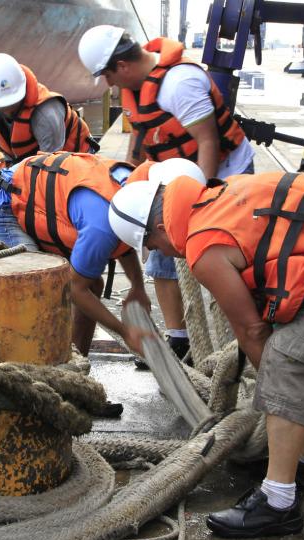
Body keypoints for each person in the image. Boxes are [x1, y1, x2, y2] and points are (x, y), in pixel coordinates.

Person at [108, 170, 304, 538]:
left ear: (160, 225)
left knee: (289, 363)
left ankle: (277, 503)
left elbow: (252, 330)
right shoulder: (220, 196)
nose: (160, 252)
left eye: (152, 244)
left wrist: (278, 391)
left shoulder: (203, 246)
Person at [78, 25, 255, 364]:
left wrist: (201, 200)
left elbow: (208, 143)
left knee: (219, 255)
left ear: (123, 66)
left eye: (108, 76)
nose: (110, 85)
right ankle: (180, 339)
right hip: (173, 175)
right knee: (158, 251)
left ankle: (239, 341)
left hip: (221, 174)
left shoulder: (179, 84)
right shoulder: (138, 87)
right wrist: (131, 176)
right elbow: (141, 134)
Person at [0, 151, 151, 356]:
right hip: (2, 203)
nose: (155, 248)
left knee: (93, 284)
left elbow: (123, 238)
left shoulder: (130, 190)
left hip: (40, 197)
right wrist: (125, 332)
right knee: (40, 287)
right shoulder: (101, 226)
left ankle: (75, 363)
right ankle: (30, 362)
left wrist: (138, 287)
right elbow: (76, 288)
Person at [0, 53, 98, 250]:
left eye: (12, 102)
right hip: (24, 164)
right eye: (2, 104)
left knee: (57, 229)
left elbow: (51, 172)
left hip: (65, 166)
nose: (7, 108)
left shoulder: (46, 113)